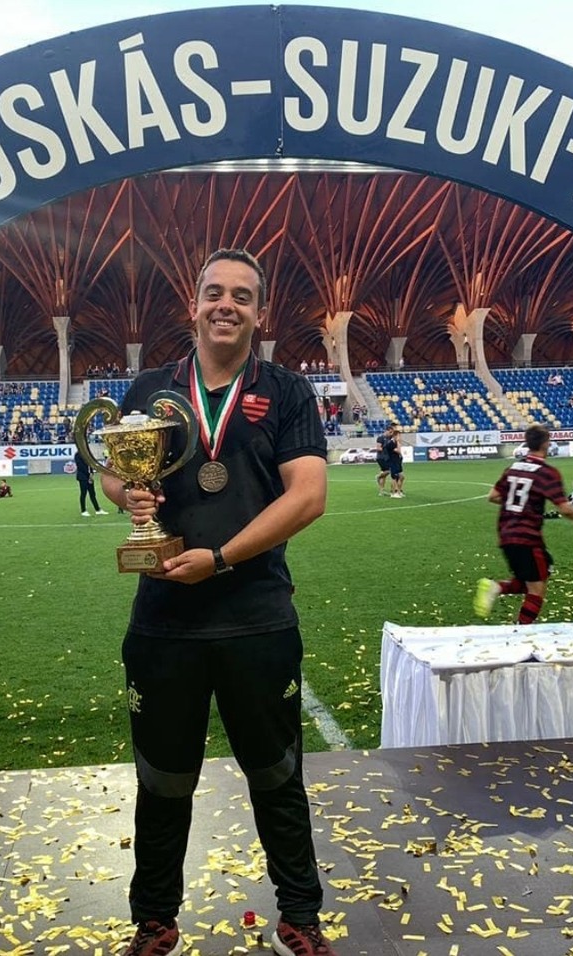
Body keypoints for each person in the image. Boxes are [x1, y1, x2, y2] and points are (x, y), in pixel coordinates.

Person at [100, 249, 335, 956]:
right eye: (213, 293)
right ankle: (154, 920)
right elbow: (115, 474)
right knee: (162, 782)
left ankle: (299, 915)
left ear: (259, 313)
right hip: (164, 622)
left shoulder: (288, 392)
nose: (225, 305)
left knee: (278, 777)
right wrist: (128, 495)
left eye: (241, 296)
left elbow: (309, 496)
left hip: (257, 617)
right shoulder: (150, 387)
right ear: (193, 305)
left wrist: (225, 557)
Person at [474, 424, 573, 625]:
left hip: (506, 535)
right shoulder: (547, 472)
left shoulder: (513, 468)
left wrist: (519, 503)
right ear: (546, 444)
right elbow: (564, 509)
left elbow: (493, 496)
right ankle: (522, 630)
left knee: (534, 577)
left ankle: (497, 588)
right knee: (537, 589)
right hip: (527, 538)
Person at [73, 448, 108, 517]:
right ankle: (83, 510)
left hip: (89, 476)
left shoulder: (87, 454)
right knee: (83, 493)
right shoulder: (77, 455)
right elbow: (81, 466)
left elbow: (91, 464)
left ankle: (97, 510)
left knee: (92, 493)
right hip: (83, 477)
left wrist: (91, 474)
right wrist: (89, 475)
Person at [376, 424, 404, 497]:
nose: (391, 433)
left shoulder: (390, 439)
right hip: (382, 457)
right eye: (390, 432)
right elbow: (378, 448)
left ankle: (395, 490)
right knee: (390, 473)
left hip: (389, 458)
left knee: (395, 474)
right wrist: (386, 449)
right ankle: (383, 487)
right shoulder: (381, 438)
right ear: (387, 431)